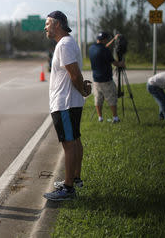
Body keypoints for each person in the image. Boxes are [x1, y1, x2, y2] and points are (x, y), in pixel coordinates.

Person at [43, 11, 91, 201]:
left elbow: (74, 75)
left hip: (65, 103)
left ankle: (68, 189)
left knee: (68, 144)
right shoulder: (66, 43)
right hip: (69, 102)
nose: (45, 27)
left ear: (57, 24)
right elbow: (74, 74)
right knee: (75, 140)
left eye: (47, 24)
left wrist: (82, 90)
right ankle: (75, 178)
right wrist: (82, 90)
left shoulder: (64, 44)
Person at [88, 32, 125, 123]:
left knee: (98, 99)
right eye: (107, 39)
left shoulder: (92, 48)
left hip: (96, 79)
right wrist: (122, 63)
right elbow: (115, 63)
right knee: (111, 98)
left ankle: (100, 117)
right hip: (106, 79)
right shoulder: (105, 51)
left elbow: (103, 47)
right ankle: (115, 118)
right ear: (104, 40)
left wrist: (113, 40)